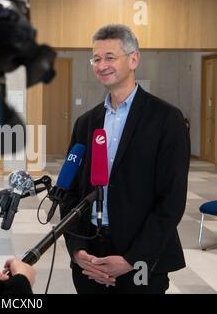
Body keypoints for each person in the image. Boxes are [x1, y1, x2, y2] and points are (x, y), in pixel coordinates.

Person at [60, 24, 190, 294]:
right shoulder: (86, 123)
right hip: (90, 253)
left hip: (141, 256)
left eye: (110, 57)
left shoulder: (166, 119)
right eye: (96, 58)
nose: (101, 65)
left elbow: (171, 200)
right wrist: (77, 250)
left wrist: (132, 259)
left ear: (134, 59)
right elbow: (69, 193)